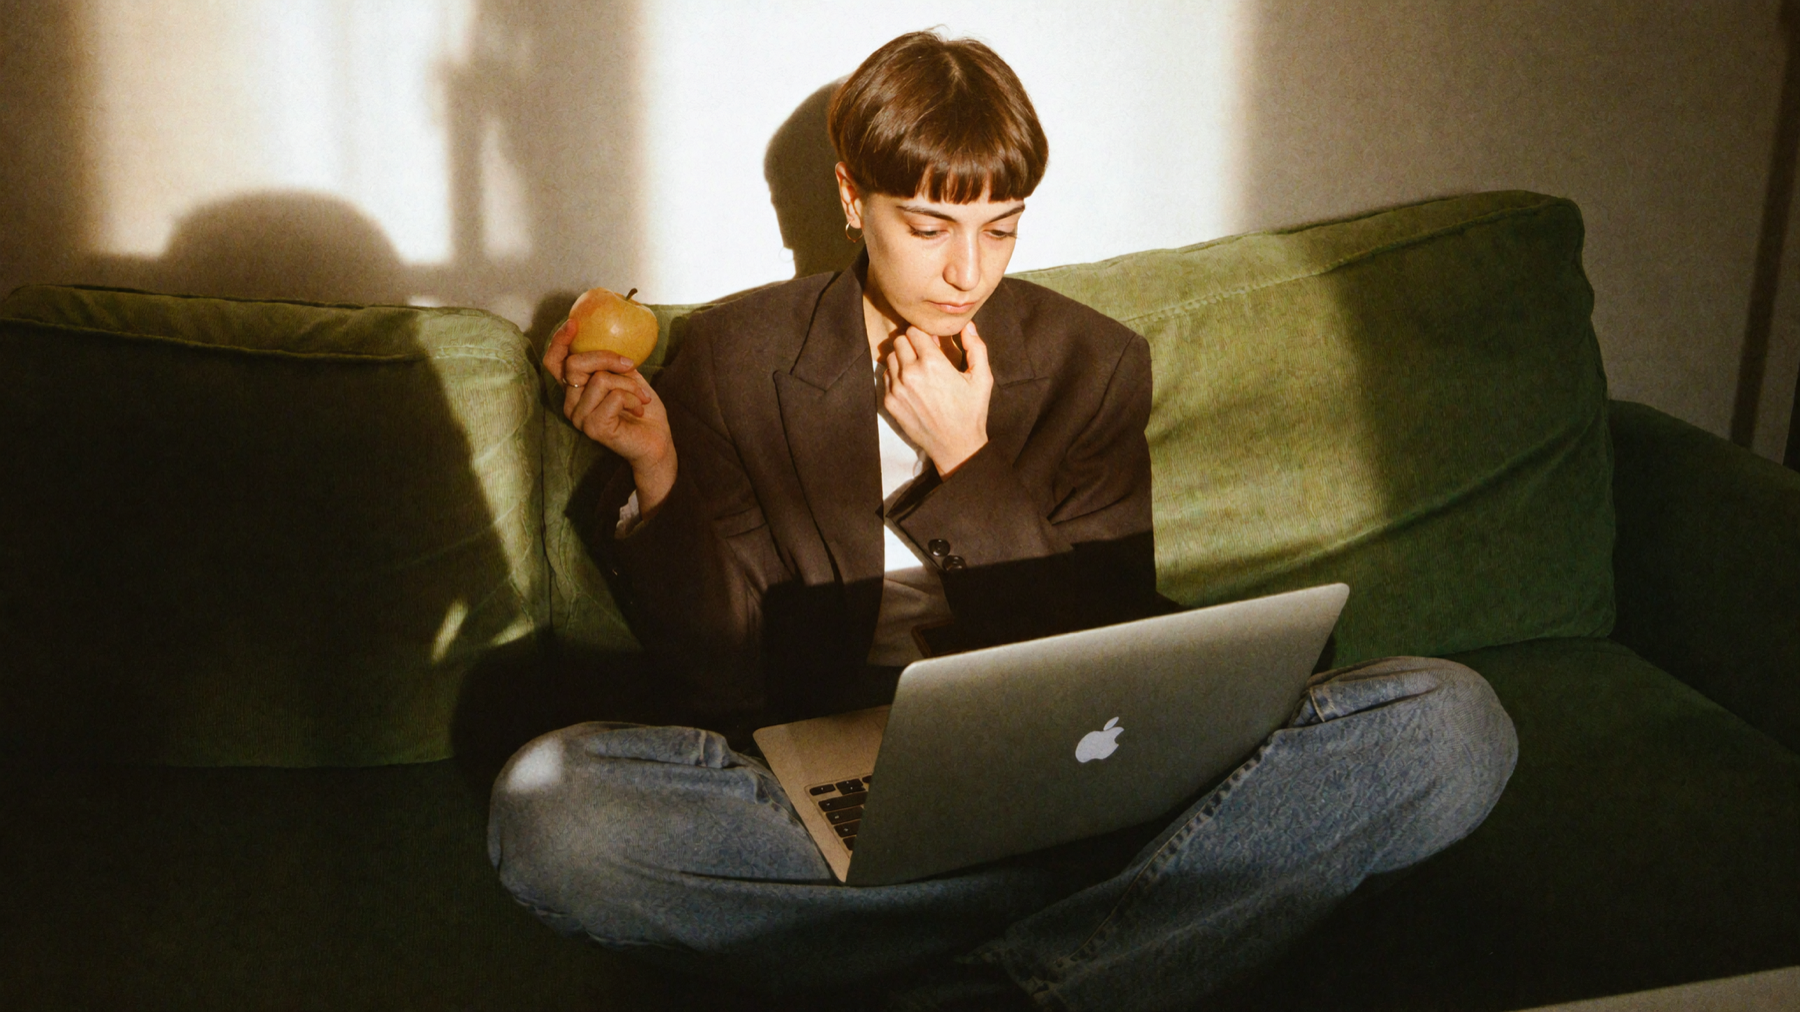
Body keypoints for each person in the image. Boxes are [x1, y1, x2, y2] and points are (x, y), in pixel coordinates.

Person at [489, 30, 1517, 1012]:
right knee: (555, 810)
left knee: (1454, 724)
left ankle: (985, 976)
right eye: (929, 228)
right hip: (849, 788)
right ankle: (1140, 934)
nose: (966, 273)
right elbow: (726, 676)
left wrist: (969, 463)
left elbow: (1103, 655)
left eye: (1002, 227)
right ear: (852, 198)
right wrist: (659, 471)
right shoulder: (738, 357)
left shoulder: (1090, 364)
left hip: (1073, 783)